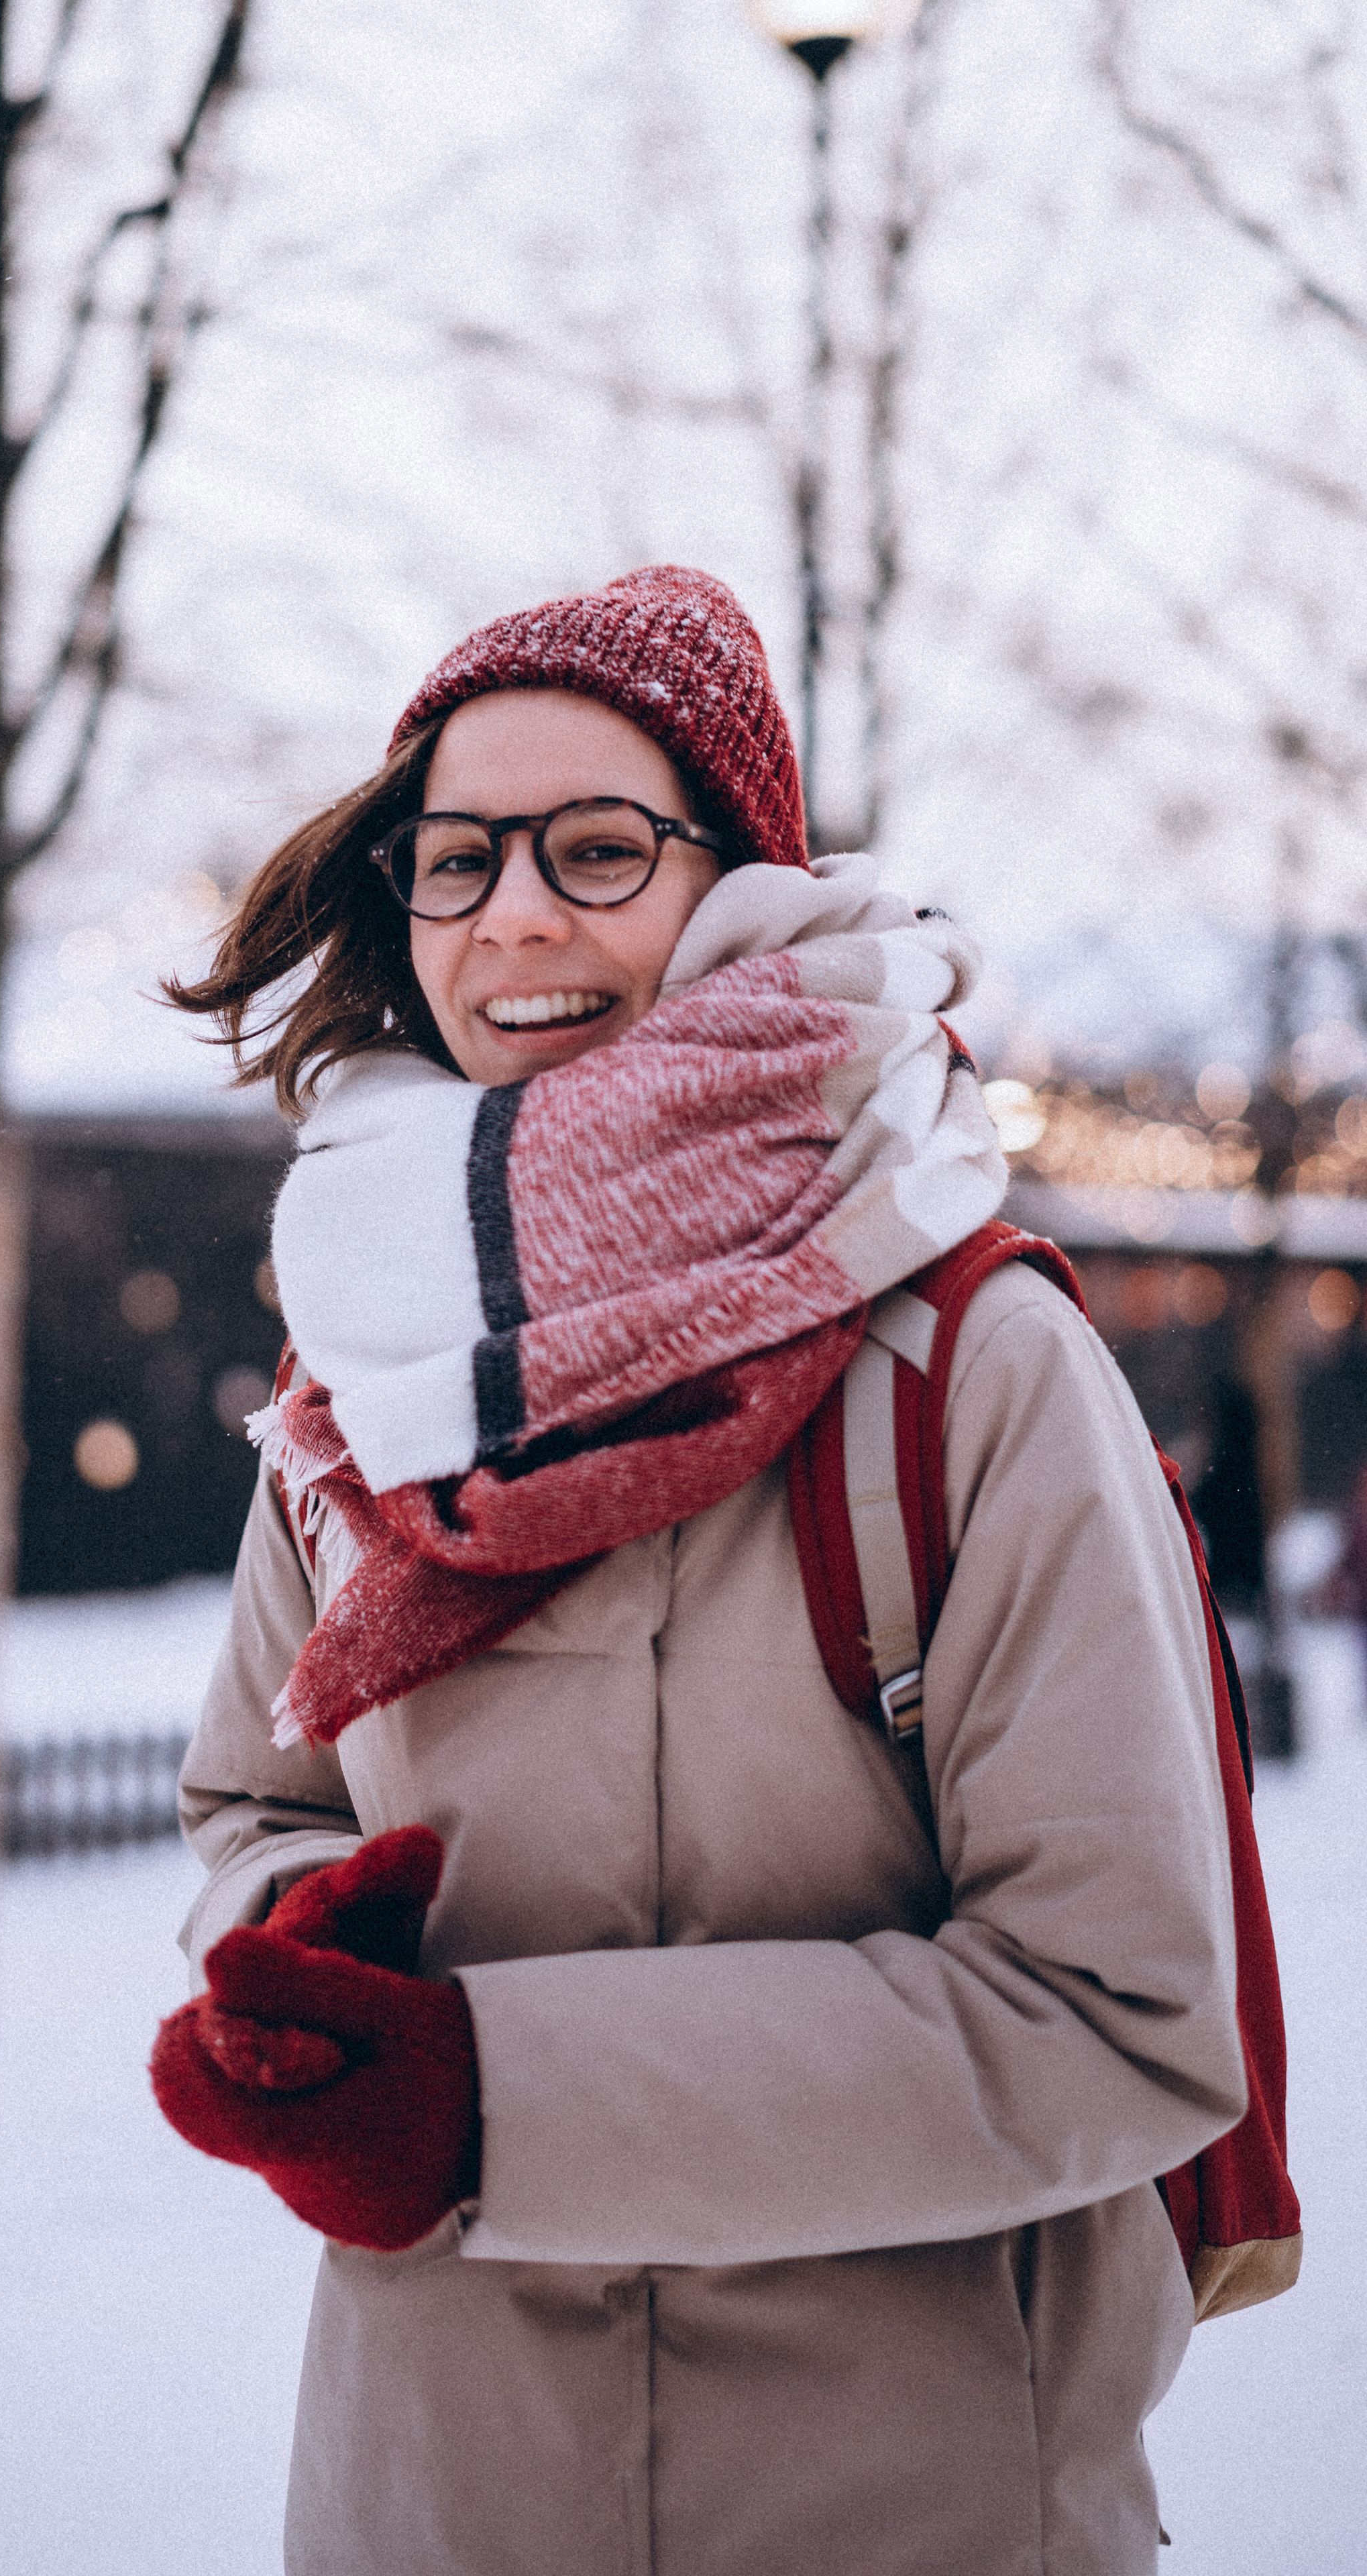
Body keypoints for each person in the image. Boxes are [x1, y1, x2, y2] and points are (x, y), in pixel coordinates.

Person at [152, 568, 1244, 2576]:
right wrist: (298, 1953)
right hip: (434, 2498)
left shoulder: (973, 1370)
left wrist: (489, 2103)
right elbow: (257, 1799)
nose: (513, 917)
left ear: (742, 886)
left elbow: (1120, 2011)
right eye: (456, 859)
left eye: (596, 849)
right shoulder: (375, 1372)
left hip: (914, 2511)